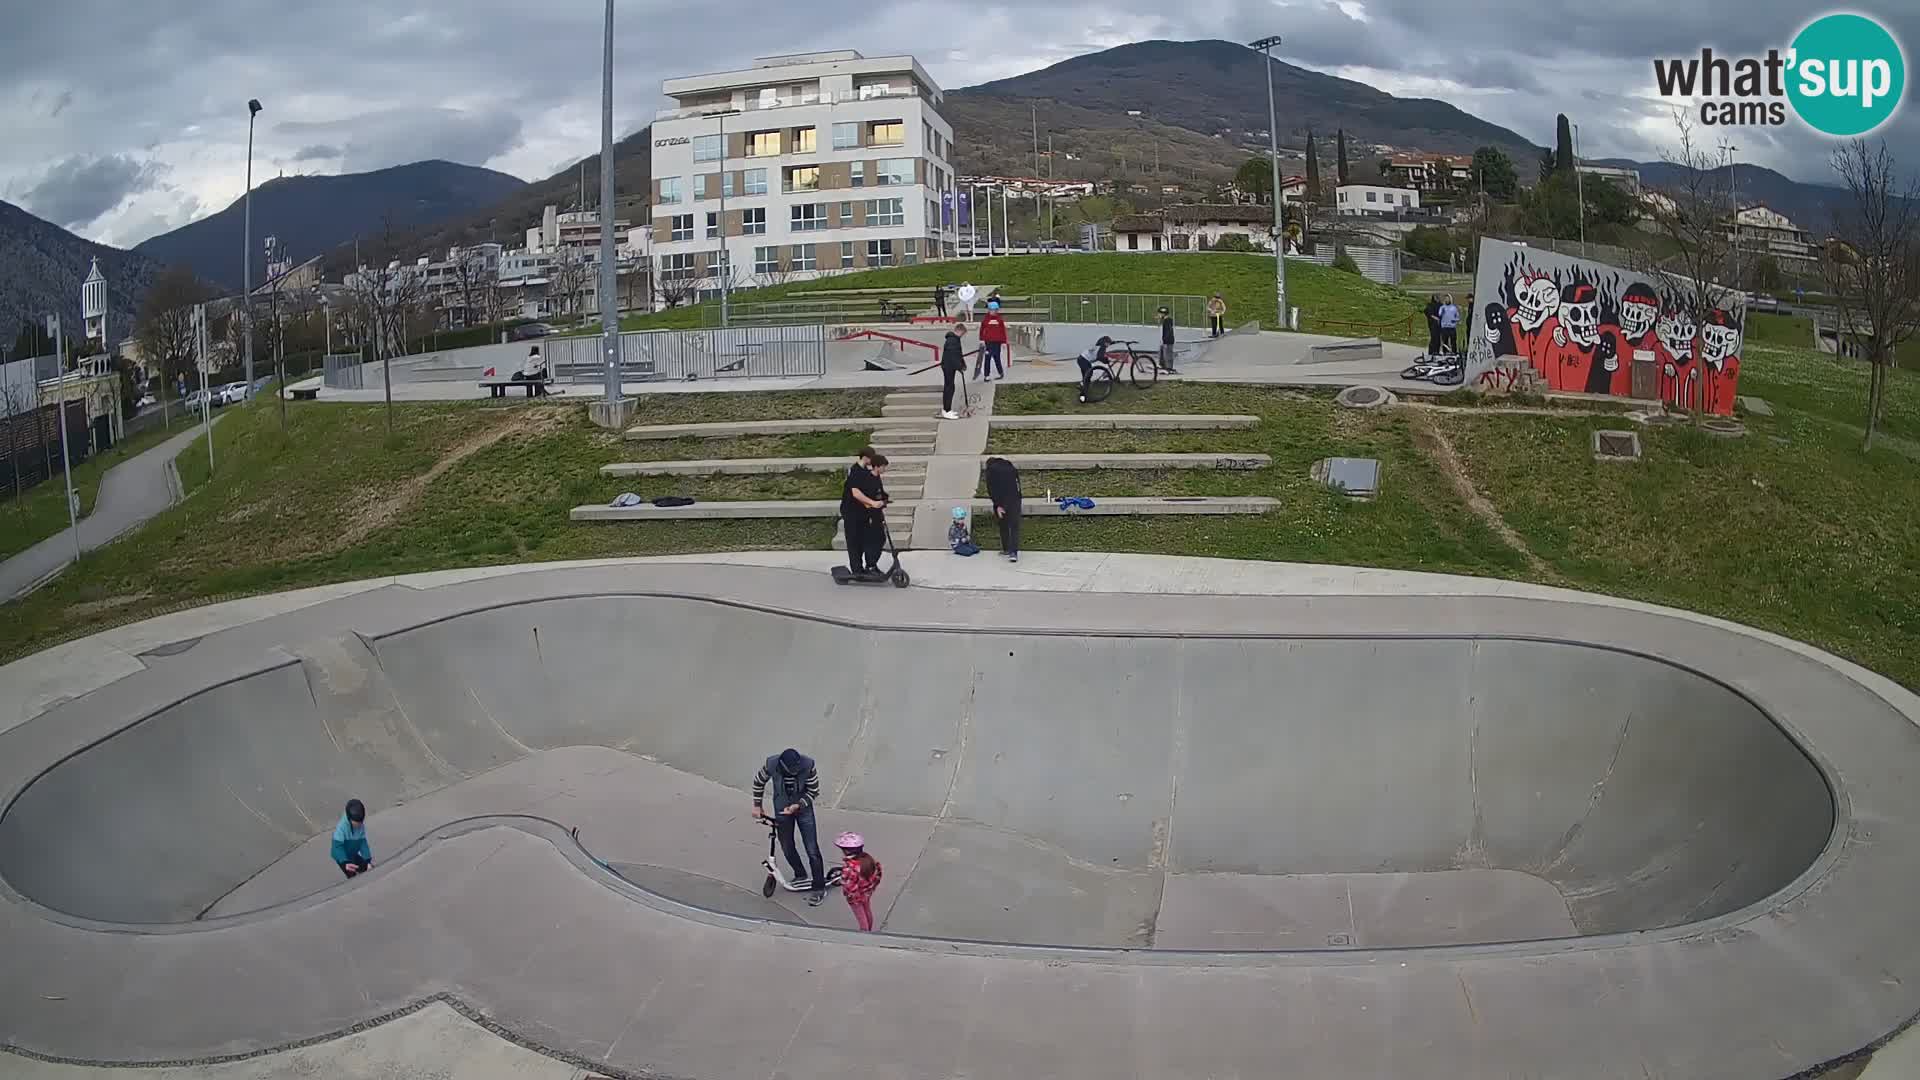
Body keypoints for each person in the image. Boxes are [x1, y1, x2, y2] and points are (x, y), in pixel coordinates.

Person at [753, 749, 828, 904]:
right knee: (786, 845)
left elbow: (813, 791)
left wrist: (798, 805)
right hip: (782, 808)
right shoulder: (771, 764)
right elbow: (758, 781)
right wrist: (757, 805)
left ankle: (819, 888)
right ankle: (800, 874)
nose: (795, 772)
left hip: (803, 810)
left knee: (812, 849)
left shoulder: (808, 765)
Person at [840, 451, 889, 577]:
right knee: (855, 541)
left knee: (871, 539)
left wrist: (883, 500)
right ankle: (858, 569)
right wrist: (872, 503)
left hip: (865, 513)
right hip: (853, 513)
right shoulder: (857, 472)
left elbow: (877, 492)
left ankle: (869, 566)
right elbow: (857, 494)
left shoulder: (869, 474)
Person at [835, 831, 883, 932]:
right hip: (867, 893)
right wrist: (870, 888)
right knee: (867, 910)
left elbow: (849, 887)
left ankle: (864, 934)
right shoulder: (869, 859)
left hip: (857, 897)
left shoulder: (850, 868)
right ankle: (869, 929)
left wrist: (850, 896)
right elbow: (878, 875)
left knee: (861, 917)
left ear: (847, 851)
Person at [983, 456, 1022, 562]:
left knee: (1003, 524)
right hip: (1015, 499)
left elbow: (991, 489)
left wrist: (998, 505)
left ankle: (1006, 549)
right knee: (1014, 526)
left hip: (1001, 500)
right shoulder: (1010, 466)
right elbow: (1017, 484)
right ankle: (1013, 552)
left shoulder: (991, 470)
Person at [331, 799, 373, 879]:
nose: (358, 825)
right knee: (353, 876)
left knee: (367, 868)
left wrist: (367, 859)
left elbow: (363, 843)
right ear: (349, 819)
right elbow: (336, 847)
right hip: (343, 856)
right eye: (356, 824)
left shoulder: (361, 826)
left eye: (360, 823)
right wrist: (344, 862)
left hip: (353, 853)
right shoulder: (341, 828)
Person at [940, 324, 969, 420]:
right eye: (963, 333)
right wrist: (959, 367)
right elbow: (953, 356)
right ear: (960, 331)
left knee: (950, 387)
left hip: (950, 366)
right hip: (948, 366)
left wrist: (962, 364)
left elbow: (958, 354)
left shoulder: (954, 339)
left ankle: (947, 409)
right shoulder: (952, 341)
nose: (963, 336)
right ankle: (946, 410)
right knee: (949, 388)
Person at [977, 300, 1009, 381]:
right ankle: (986, 376)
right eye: (991, 310)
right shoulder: (986, 319)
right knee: (987, 358)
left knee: (997, 358)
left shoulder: (999, 319)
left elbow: (1003, 331)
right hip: (988, 342)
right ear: (989, 310)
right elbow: (982, 330)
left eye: (995, 310)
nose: (993, 312)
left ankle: (1000, 373)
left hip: (997, 342)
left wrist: (1004, 342)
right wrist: (981, 339)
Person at [1078, 336, 1112, 404]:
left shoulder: (1098, 345)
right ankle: (1084, 392)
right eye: (1108, 343)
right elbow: (1100, 357)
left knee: (1086, 376)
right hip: (1085, 360)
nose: (1109, 345)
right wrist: (1106, 361)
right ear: (1105, 343)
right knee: (1088, 375)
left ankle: (1083, 390)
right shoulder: (1102, 348)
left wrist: (1115, 342)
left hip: (1081, 358)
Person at [1158, 306, 1179, 375]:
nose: (1159, 315)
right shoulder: (1166, 320)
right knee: (1162, 353)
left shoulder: (1168, 320)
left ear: (1163, 314)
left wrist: (1165, 340)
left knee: (1168, 354)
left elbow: (1169, 331)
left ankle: (1169, 368)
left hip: (1168, 341)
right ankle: (1162, 366)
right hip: (1165, 340)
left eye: (1160, 314)